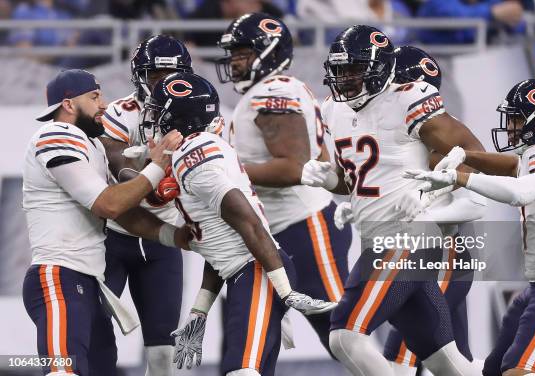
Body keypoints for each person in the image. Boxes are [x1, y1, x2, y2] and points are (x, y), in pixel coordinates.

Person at [301, 26, 485, 375]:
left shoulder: (407, 100)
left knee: (344, 336)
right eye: (340, 69)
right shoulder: (334, 110)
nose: (345, 79)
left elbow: (474, 154)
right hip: (379, 239)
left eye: (354, 69)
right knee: (446, 362)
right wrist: (329, 179)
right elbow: (355, 180)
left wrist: (430, 187)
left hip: (409, 238)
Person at [142, 71, 336, 376]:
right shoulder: (188, 154)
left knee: (241, 370)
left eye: (159, 114)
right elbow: (221, 249)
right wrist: (199, 313)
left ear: (180, 118)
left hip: (258, 271)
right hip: (246, 272)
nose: (153, 123)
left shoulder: (195, 156)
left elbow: (250, 224)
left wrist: (284, 290)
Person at [405, 78, 535, 376]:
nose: (510, 126)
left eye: (517, 118)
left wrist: (461, 177)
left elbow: (521, 191)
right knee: (492, 372)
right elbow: (511, 167)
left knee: (518, 371)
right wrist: (464, 156)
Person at [22, 69, 189, 376]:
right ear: (69, 104)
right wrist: (156, 167)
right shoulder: (56, 134)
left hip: (86, 280)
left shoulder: (93, 145)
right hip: (59, 277)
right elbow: (109, 205)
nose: (104, 104)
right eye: (95, 96)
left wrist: (173, 236)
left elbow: (123, 210)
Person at [215, 12, 352, 354]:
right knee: (244, 332)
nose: (234, 62)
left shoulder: (274, 93)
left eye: (243, 53)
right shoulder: (270, 91)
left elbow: (292, 168)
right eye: (233, 54)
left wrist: (224, 173)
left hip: (301, 227)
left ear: (270, 52)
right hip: (266, 232)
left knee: (342, 334)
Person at [98, 34, 192, 376]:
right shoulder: (123, 111)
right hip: (113, 236)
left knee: (164, 354)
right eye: (155, 75)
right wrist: (153, 176)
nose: (164, 84)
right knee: (95, 337)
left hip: (162, 241)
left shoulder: (197, 110)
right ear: (139, 75)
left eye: (171, 75)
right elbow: (117, 163)